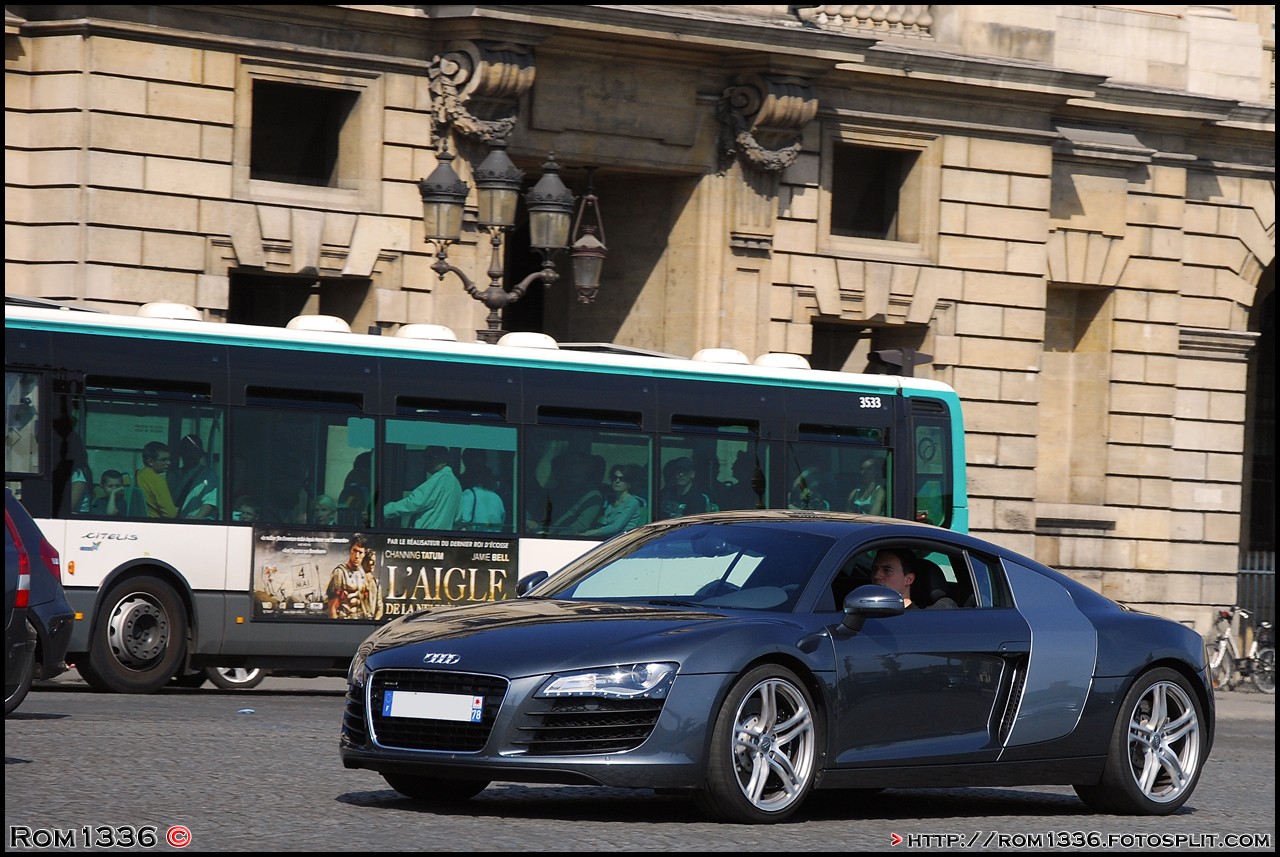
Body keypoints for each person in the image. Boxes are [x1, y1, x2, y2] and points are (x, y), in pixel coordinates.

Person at [382, 445, 462, 530]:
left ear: (444, 461)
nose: (427, 461)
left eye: (432, 458)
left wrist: (384, 511)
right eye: (426, 458)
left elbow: (415, 502)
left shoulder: (440, 478)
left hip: (426, 533)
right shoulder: (455, 483)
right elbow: (458, 516)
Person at [583, 463, 645, 537]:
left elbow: (615, 527)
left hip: (622, 540)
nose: (617, 481)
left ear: (629, 482)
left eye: (622, 479)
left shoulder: (632, 502)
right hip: (605, 539)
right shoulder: (608, 501)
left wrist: (588, 534)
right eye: (614, 478)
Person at [173, 434, 218, 519]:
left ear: (201, 453)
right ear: (181, 452)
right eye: (187, 450)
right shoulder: (174, 476)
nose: (191, 454)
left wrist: (196, 518)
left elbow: (210, 502)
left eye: (195, 450)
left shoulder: (208, 475)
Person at [325, 535, 369, 619]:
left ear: (364, 554)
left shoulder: (361, 573)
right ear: (350, 550)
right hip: (344, 619)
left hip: (360, 620)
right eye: (354, 551)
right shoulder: (340, 572)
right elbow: (332, 607)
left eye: (360, 552)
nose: (357, 556)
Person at [135, 441, 177, 518]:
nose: (168, 463)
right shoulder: (158, 480)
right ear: (150, 461)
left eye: (169, 459)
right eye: (164, 460)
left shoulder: (136, 475)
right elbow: (170, 513)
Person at [458, 463, 505, 532]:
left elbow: (465, 520)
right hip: (495, 537)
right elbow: (502, 519)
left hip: (476, 536)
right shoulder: (497, 498)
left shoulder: (469, 495)